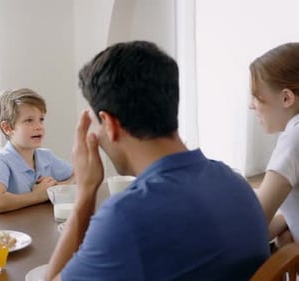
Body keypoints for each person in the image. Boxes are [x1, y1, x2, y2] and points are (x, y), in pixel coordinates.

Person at [45, 41, 270, 281]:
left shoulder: (124, 216)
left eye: (94, 124)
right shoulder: (235, 183)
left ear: (109, 124)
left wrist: (85, 193)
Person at [0, 88, 74, 214]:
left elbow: (80, 174)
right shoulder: (0, 160)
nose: (39, 126)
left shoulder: (46, 156)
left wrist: (57, 188)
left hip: (37, 225)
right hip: (10, 231)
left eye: (41, 119)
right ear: (7, 128)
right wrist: (38, 195)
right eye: (29, 120)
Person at [249, 42, 299, 248]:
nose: (251, 105)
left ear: (286, 98)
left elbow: (254, 220)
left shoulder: (294, 136)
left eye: (257, 96)